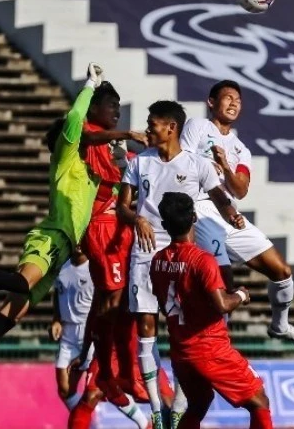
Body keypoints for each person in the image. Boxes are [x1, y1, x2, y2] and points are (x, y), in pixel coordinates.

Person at [0, 63, 106, 419]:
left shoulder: (92, 173)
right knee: (19, 283)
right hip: (50, 238)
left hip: (62, 252)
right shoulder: (66, 155)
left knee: (10, 315)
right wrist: (90, 86)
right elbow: (74, 118)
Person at [117, 100, 245, 428]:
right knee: (146, 327)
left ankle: (178, 404)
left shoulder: (196, 164)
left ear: (171, 127)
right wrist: (137, 219)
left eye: (153, 124)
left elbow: (219, 196)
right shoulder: (139, 162)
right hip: (146, 249)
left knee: (182, 329)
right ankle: (157, 410)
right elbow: (122, 206)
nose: (148, 129)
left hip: (183, 252)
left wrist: (232, 214)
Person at [181, 80, 294, 347]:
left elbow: (240, 190)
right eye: (227, 97)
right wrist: (204, 169)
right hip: (201, 208)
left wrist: (224, 166)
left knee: (281, 270)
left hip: (229, 212)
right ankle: (218, 345)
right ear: (211, 102)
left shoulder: (241, 149)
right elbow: (181, 162)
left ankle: (280, 326)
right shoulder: (198, 126)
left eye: (238, 100)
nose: (233, 103)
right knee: (224, 282)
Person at [150, 192, 273, 429]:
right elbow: (222, 304)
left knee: (198, 403)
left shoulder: (158, 260)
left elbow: (164, 303)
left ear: (164, 225)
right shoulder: (202, 260)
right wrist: (241, 294)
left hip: (181, 351)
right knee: (259, 401)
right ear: (194, 217)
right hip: (210, 348)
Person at [73, 79, 148, 415]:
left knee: (124, 303)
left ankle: (124, 372)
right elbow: (88, 139)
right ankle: (105, 372)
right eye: (110, 106)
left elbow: (130, 166)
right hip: (101, 226)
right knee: (112, 301)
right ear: (93, 109)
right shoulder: (87, 134)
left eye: (119, 106)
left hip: (121, 226)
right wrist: (127, 134)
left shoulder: (116, 146)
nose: (116, 111)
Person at [48, 249, 94, 411]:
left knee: (96, 390)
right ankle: (83, 419)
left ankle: (142, 421)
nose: (79, 243)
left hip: (89, 332)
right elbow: (58, 292)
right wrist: (56, 320)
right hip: (68, 334)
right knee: (64, 390)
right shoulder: (61, 266)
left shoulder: (95, 267)